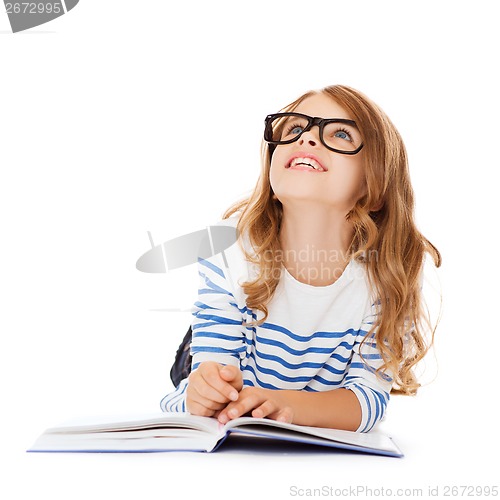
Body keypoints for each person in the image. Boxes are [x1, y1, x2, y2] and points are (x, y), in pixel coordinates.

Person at [160, 84, 441, 432]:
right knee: (190, 377)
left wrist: (284, 404)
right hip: (215, 354)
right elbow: (203, 384)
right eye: (295, 128)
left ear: (375, 187)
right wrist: (203, 392)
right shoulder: (229, 252)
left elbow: (367, 401)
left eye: (340, 133)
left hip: (296, 391)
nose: (306, 138)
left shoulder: (386, 277)